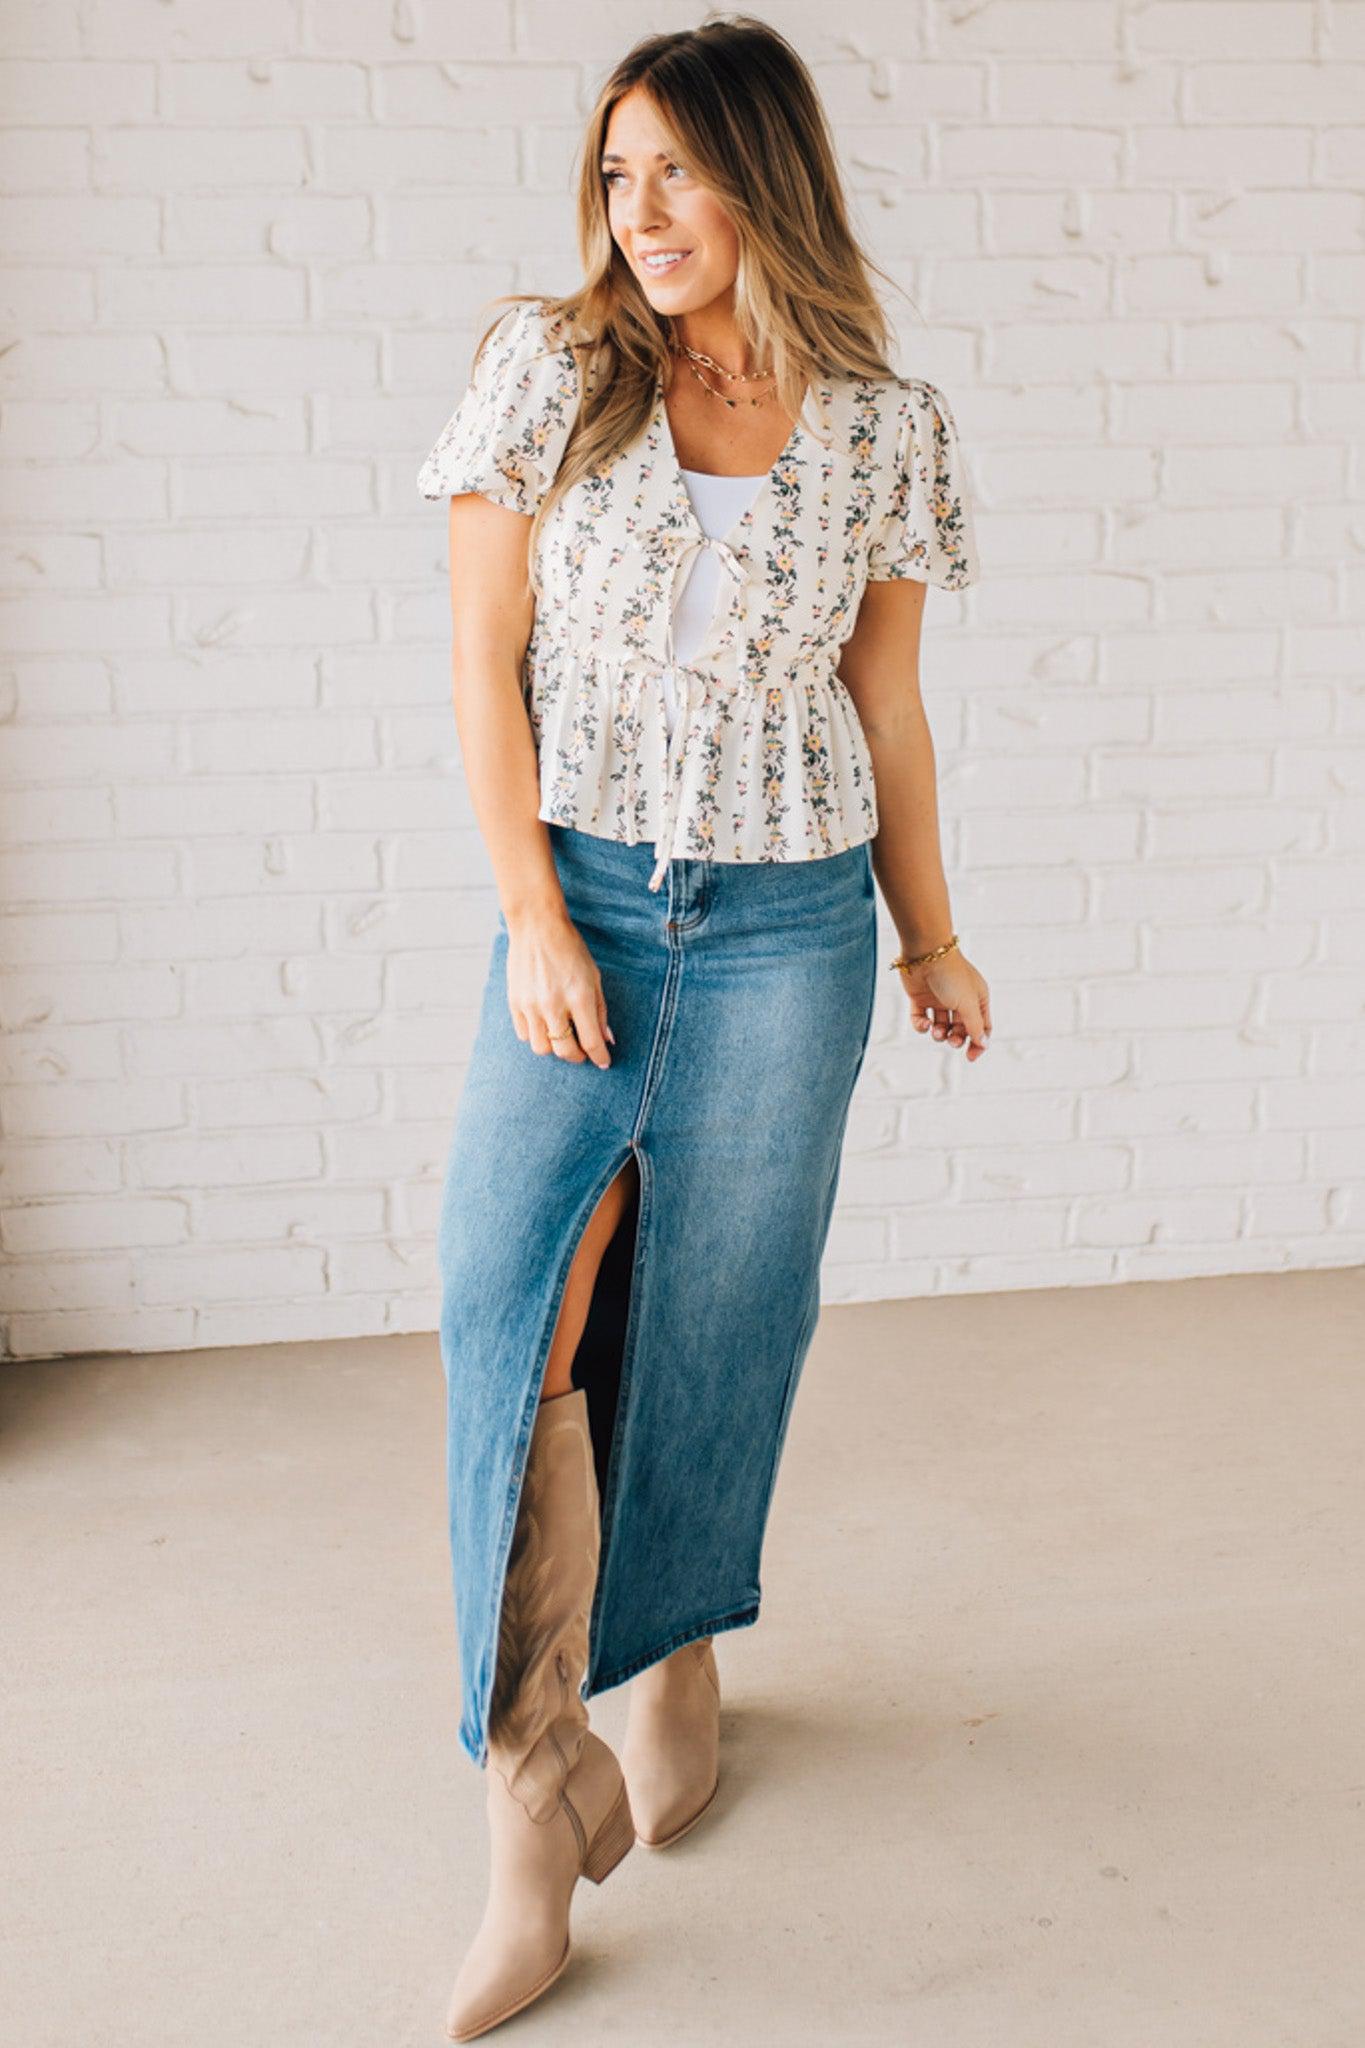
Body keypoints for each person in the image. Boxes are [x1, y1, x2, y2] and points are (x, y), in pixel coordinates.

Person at [416, 17, 990, 2041]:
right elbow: (480, 664)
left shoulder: (882, 424)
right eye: (615, 171)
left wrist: (928, 936)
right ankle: (528, 1798)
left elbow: (884, 702)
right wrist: (527, 916)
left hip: (789, 927)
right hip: (581, 902)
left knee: (719, 1314)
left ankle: (672, 1652)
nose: (637, 210)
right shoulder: (549, 369)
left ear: (767, 174)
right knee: (516, 1311)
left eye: (675, 167)